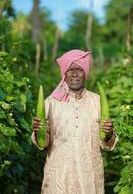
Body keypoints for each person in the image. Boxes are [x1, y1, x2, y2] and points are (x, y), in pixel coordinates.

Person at [32, 49, 118, 194]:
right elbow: (43, 143)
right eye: (70, 69)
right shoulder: (51, 102)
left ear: (86, 73)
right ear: (64, 74)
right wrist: (38, 131)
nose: (74, 74)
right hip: (58, 178)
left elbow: (106, 144)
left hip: (89, 179)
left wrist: (108, 133)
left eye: (79, 69)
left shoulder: (96, 101)